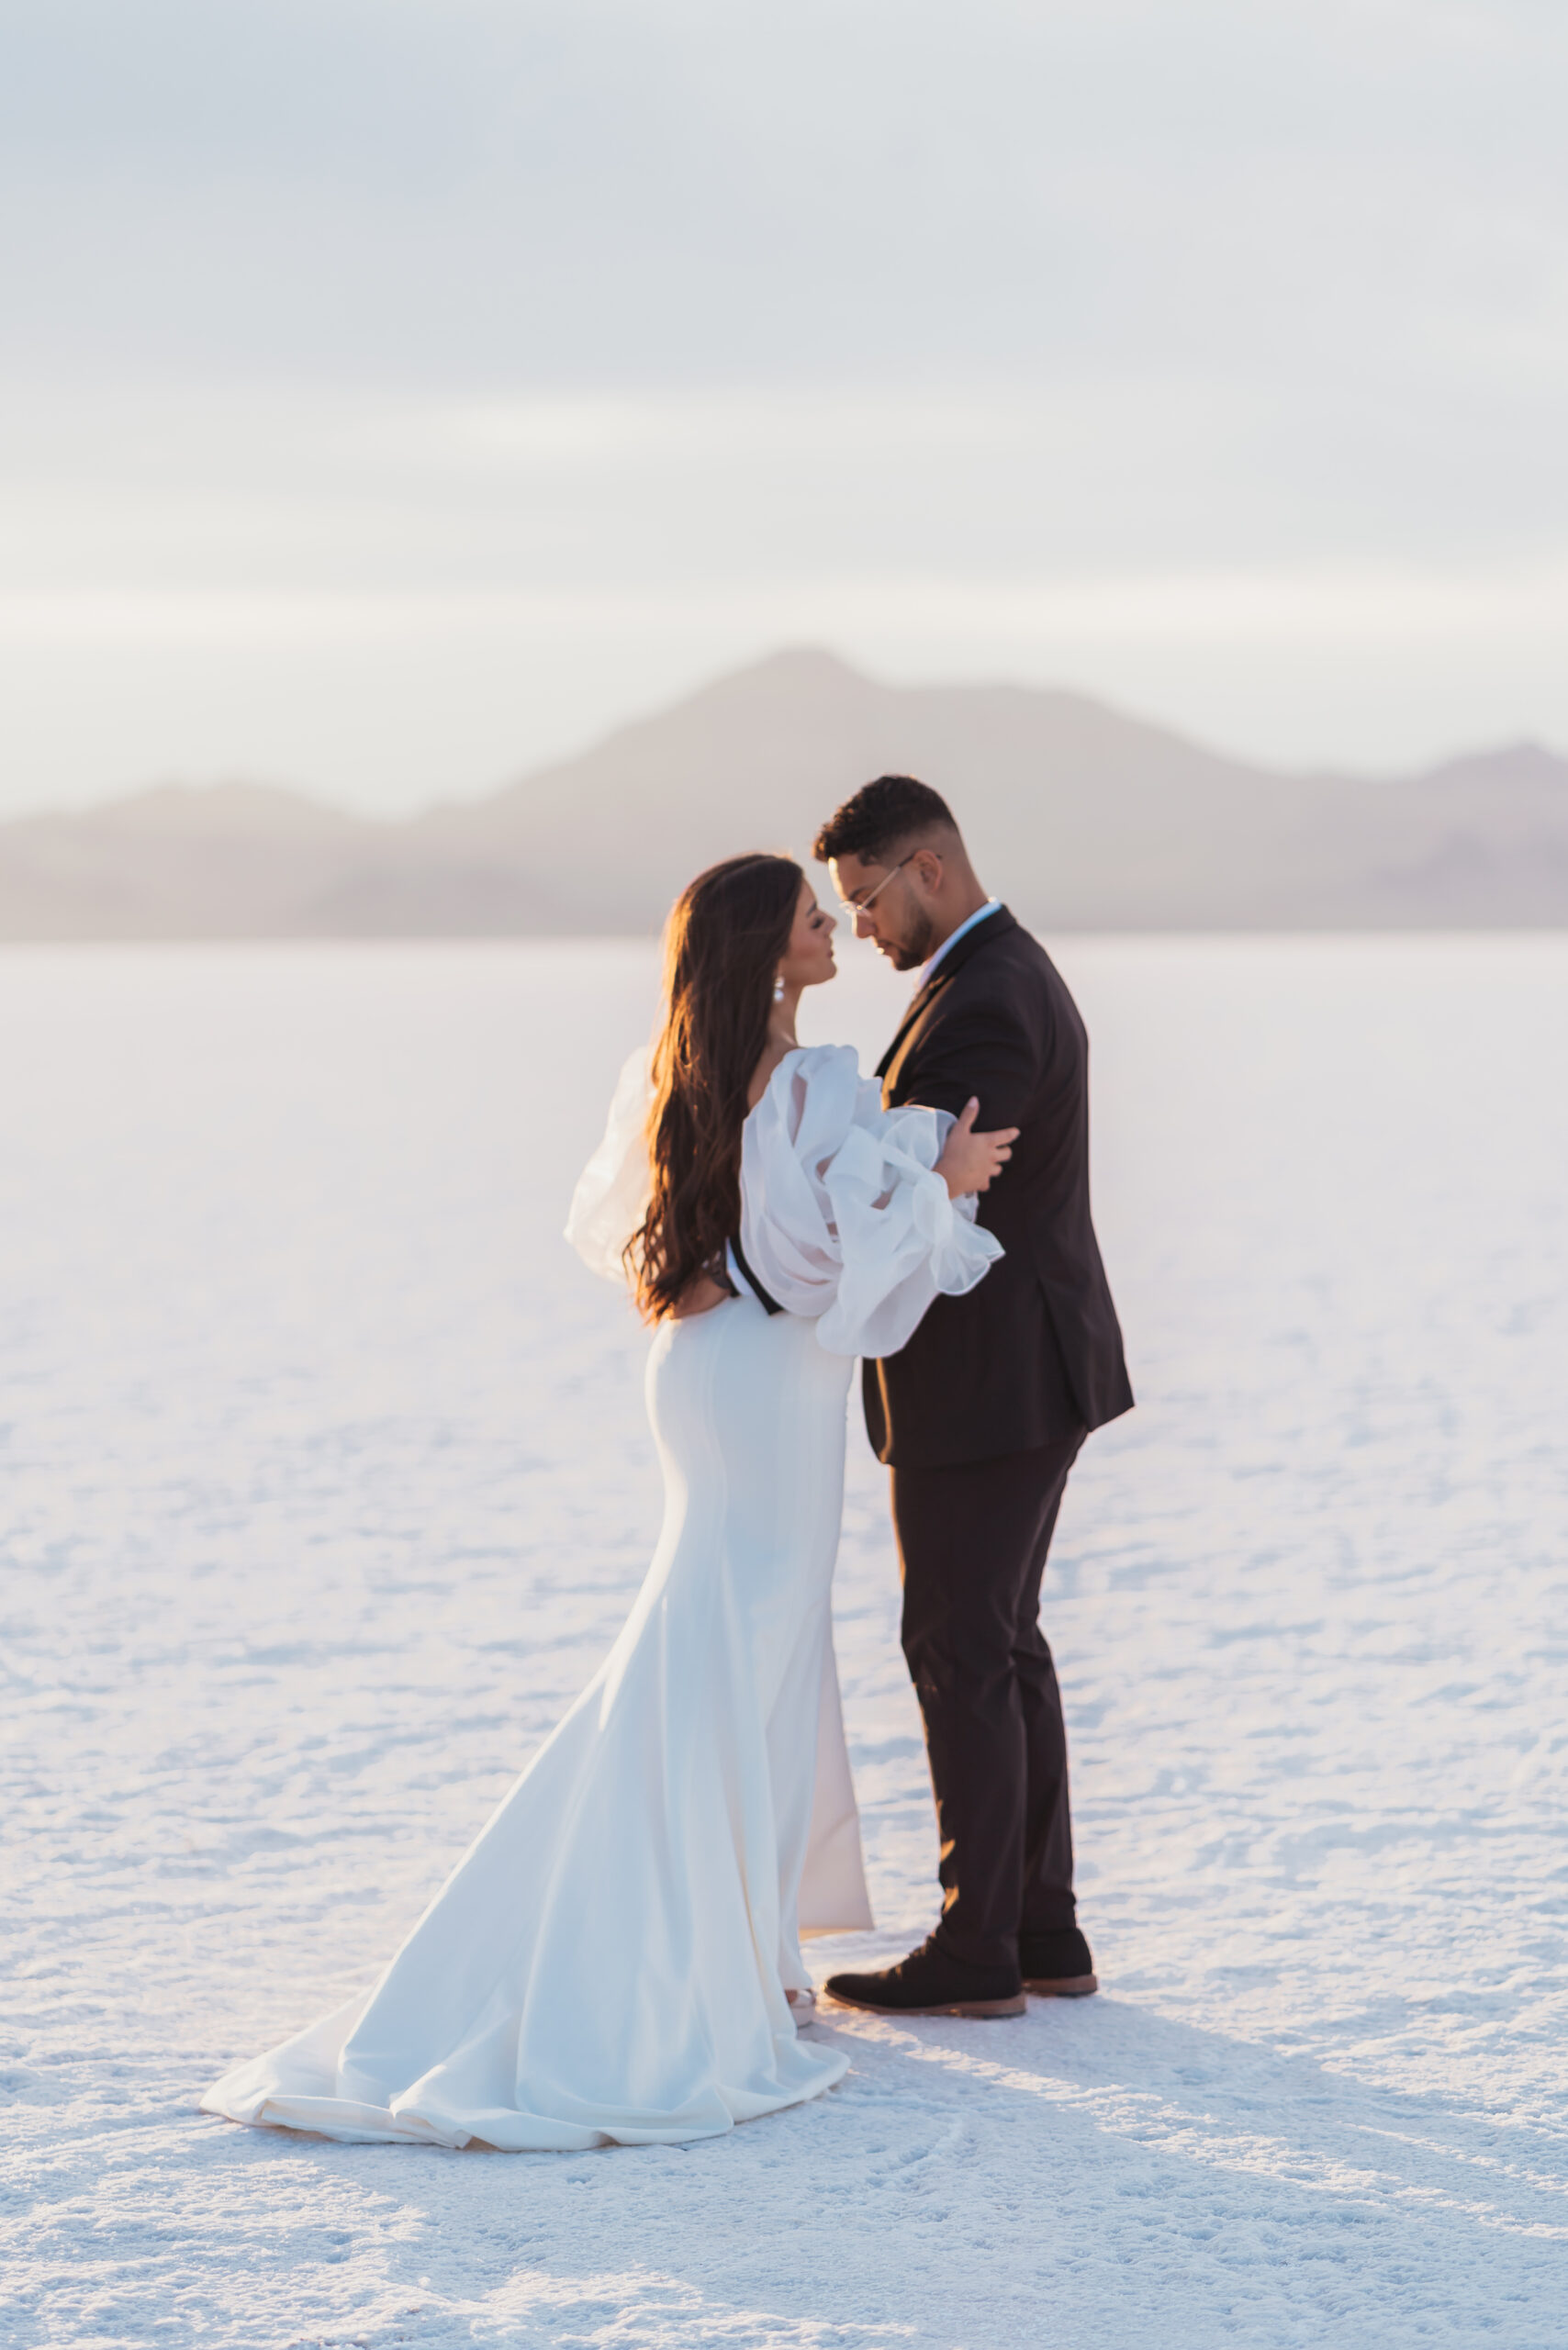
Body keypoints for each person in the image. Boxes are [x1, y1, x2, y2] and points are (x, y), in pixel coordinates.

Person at [200, 852, 1015, 2151]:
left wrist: (898, 1171)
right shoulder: (812, 1079)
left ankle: (747, 1955)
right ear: (765, 953)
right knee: (744, 1656)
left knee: (715, 1648)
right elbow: (820, 1261)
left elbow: (703, 1226)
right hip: (769, 1386)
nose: (832, 936)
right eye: (814, 923)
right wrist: (945, 1183)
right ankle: (711, 1968)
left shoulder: (675, 1076)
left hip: (698, 1375)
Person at [812, 777, 1134, 2022]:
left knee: (957, 1645)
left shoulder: (986, 1003)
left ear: (926, 870)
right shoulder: (997, 974)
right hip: (1027, 1369)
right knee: (1003, 1639)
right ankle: (1040, 1929)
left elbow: (932, 1212)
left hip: (991, 1379)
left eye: (867, 901)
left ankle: (977, 1945)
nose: (861, 933)